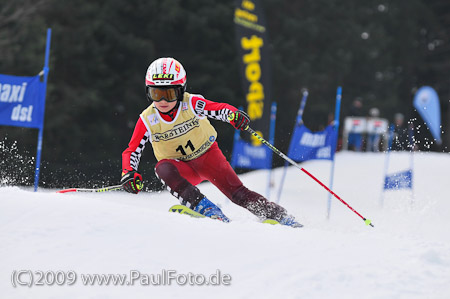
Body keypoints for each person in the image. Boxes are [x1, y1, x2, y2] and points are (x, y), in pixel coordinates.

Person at [120, 57, 302, 227]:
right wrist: (128, 173)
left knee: (238, 193)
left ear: (180, 90)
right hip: (182, 168)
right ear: (148, 92)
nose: (162, 101)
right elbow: (132, 150)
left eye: (169, 93)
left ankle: (280, 216)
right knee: (162, 168)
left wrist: (233, 115)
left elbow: (217, 109)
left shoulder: (191, 103)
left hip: (208, 157)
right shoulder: (147, 119)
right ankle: (205, 207)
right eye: (156, 93)